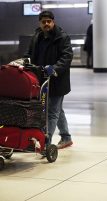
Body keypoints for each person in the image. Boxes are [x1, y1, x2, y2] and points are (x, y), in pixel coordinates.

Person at [25, 10, 73, 149]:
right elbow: (29, 53)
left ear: (53, 22)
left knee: (52, 112)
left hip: (57, 80)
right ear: (40, 23)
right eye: (43, 22)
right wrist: (25, 62)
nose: (46, 24)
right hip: (40, 80)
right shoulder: (36, 37)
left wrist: (55, 69)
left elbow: (66, 57)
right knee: (57, 110)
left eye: (49, 21)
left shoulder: (62, 37)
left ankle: (45, 142)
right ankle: (66, 137)